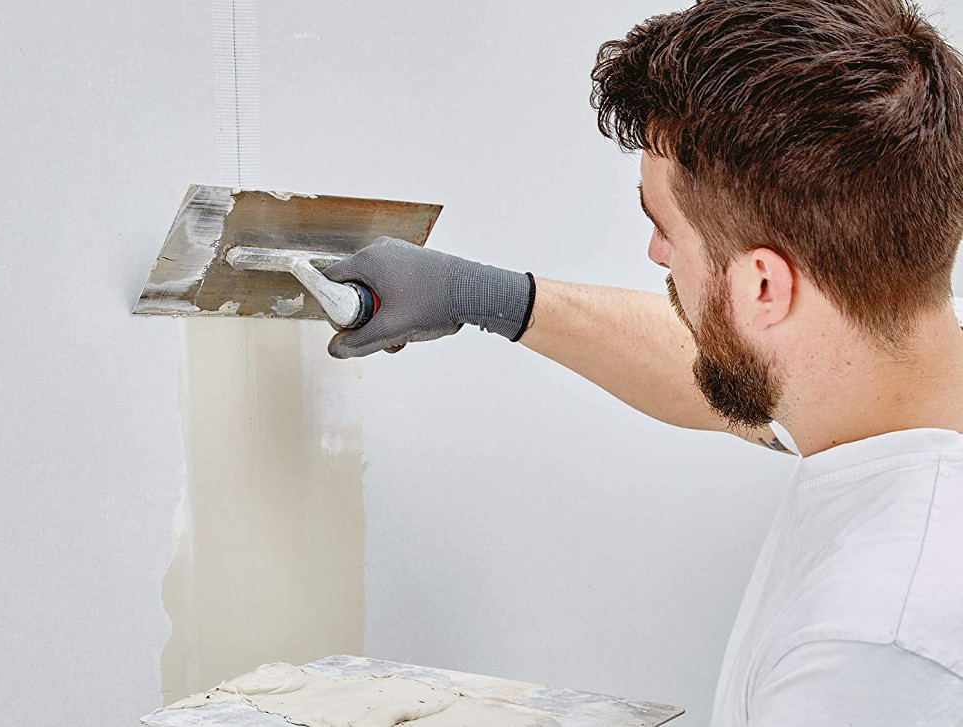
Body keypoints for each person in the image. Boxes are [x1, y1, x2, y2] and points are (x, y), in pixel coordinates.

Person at [322, 1, 963, 725]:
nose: (655, 254)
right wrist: (485, 296)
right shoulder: (892, 396)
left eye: (663, 227)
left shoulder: (873, 646)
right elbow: (728, 366)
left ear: (761, 287)